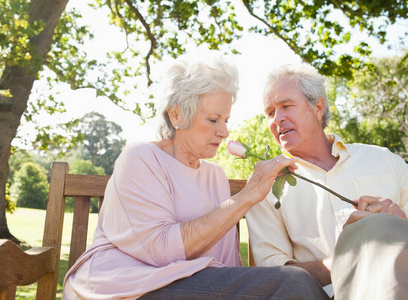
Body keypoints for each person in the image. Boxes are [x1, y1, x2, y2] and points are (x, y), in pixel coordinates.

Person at [62, 54, 330, 300]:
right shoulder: (140, 158)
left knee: (294, 285)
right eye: (214, 120)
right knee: (293, 284)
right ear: (176, 114)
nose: (224, 132)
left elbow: (225, 268)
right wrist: (247, 196)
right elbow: (160, 250)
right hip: (127, 287)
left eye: (226, 120)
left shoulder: (214, 176)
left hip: (190, 287)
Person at [245, 61, 408, 299]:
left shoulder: (382, 159)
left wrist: (404, 232)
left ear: (318, 108)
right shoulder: (265, 182)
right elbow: (274, 276)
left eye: (286, 106)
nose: (276, 119)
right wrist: (354, 257)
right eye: (269, 113)